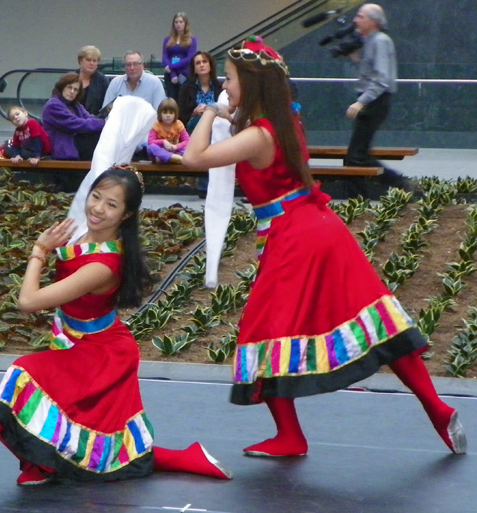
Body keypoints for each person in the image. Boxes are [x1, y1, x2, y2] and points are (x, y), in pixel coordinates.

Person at [183, 35, 467, 459]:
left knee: (263, 330)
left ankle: (291, 437)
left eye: (230, 78)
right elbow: (243, 124)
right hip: (319, 228)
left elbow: (193, 157)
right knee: (375, 320)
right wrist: (227, 108)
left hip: (295, 237)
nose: (226, 84)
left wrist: (207, 110)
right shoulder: (282, 122)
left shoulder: (259, 135)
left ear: (252, 84)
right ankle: (438, 408)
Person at [0, 167, 233, 485]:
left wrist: (39, 251)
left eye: (111, 204)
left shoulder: (103, 265)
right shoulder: (85, 235)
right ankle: (43, 464)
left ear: (127, 214)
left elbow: (28, 302)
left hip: (100, 351)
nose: (98, 208)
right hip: (77, 339)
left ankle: (176, 458)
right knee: (69, 415)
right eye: (96, 196)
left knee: (23, 374)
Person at [343, 4, 415, 195]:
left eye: (360, 16)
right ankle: (360, 199)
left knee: (356, 157)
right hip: (371, 100)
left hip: (375, 101)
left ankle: (400, 184)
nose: (356, 20)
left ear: (373, 21)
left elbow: (382, 79)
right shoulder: (370, 41)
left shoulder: (381, 41)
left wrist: (362, 102)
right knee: (357, 156)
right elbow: (370, 71)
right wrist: (355, 58)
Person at [178, 51, 222, 197]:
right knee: (200, 123)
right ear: (194, 68)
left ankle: (193, 179)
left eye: (204, 62)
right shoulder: (187, 87)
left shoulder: (218, 86)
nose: (202, 65)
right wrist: (194, 112)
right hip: (192, 125)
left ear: (210, 65)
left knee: (210, 126)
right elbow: (180, 116)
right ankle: (203, 183)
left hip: (214, 126)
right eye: (198, 63)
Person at [42, 73, 105, 161]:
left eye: (75, 90)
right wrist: (104, 122)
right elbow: (77, 124)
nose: (72, 92)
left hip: (74, 149)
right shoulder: (53, 105)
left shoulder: (75, 105)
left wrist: (106, 121)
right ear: (62, 87)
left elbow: (89, 118)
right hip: (60, 152)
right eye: (69, 87)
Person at [102, 51, 166, 112]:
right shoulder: (115, 83)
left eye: (135, 64)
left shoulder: (155, 83)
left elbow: (159, 113)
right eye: (128, 64)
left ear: (143, 66)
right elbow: (107, 112)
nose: (132, 68)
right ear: (124, 67)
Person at [162, 12, 198, 100]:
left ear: (185, 24)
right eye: (176, 22)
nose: (178, 24)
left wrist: (171, 66)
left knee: (183, 100)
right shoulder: (167, 40)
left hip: (184, 74)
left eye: (181, 22)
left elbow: (189, 59)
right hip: (170, 75)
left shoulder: (192, 40)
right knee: (171, 99)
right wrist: (172, 73)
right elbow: (165, 57)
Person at [147, 98, 189, 164]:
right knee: (151, 148)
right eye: (165, 112)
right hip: (160, 153)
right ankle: (170, 157)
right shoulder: (156, 124)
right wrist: (163, 142)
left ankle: (172, 158)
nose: (168, 115)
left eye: (171, 113)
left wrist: (176, 147)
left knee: (188, 148)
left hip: (175, 151)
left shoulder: (178, 124)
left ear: (175, 114)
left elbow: (187, 140)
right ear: (160, 113)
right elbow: (150, 142)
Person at [76, 45, 109, 116]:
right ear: (80, 61)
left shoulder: (102, 81)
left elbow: (107, 107)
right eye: (88, 60)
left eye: (94, 61)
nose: (91, 63)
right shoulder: (69, 78)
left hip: (94, 123)